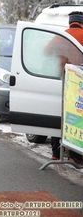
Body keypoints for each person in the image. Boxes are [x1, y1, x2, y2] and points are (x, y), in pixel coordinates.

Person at [46, 11, 83, 165]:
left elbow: (47, 52)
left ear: (70, 22)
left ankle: (56, 152)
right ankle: (76, 155)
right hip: (79, 84)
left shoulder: (62, 36)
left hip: (62, 80)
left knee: (61, 114)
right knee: (76, 117)